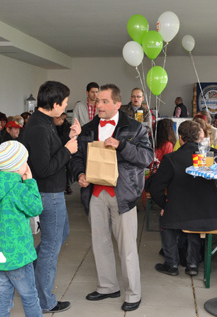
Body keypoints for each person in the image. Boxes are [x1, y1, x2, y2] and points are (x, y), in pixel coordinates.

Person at [71, 84, 153, 312]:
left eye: (105, 101)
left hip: (123, 195)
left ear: (117, 104)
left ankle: (133, 293)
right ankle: (107, 287)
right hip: (94, 194)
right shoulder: (88, 128)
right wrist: (80, 174)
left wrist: (122, 146)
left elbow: (147, 158)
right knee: (100, 244)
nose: (100, 105)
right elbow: (77, 156)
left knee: (127, 247)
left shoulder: (136, 128)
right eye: (98, 101)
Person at [22, 81, 81, 313]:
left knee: (59, 236)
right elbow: (44, 167)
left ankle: (30, 275)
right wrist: (68, 151)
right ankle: (45, 300)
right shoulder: (37, 126)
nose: (65, 108)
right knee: (50, 246)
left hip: (52, 191)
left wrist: (68, 134)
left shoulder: (44, 122)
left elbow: (50, 148)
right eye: (64, 104)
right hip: (48, 192)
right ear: (54, 104)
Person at [0, 141, 43, 317]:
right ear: (18, 165)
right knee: (29, 296)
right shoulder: (18, 189)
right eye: (25, 161)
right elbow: (36, 207)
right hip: (19, 255)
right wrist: (30, 182)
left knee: (4, 298)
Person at [150, 121, 217, 277]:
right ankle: (192, 264)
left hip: (180, 212)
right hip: (210, 213)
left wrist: (165, 205)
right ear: (200, 137)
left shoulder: (172, 158)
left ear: (180, 138)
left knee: (165, 221)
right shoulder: (212, 155)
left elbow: (155, 188)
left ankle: (171, 263)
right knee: (193, 220)